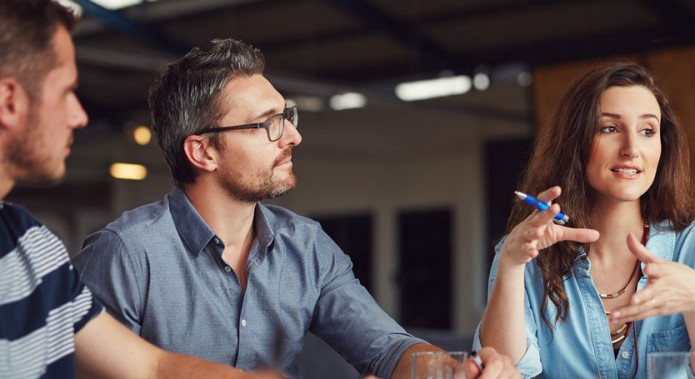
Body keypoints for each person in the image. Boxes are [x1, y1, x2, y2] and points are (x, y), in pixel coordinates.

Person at [71, 38, 519, 379]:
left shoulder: (305, 247)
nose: (292, 136)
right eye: (268, 124)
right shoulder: (126, 255)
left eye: (286, 116)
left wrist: (451, 370)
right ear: (203, 151)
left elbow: (385, 348)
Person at [0, 1, 287, 378]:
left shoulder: (31, 246)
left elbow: (150, 366)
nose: (80, 116)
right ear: (9, 101)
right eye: (67, 91)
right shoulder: (123, 250)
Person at [473, 61, 695, 378]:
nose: (632, 149)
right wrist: (511, 264)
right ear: (575, 143)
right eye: (610, 128)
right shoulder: (522, 253)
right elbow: (503, 371)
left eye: (647, 131)